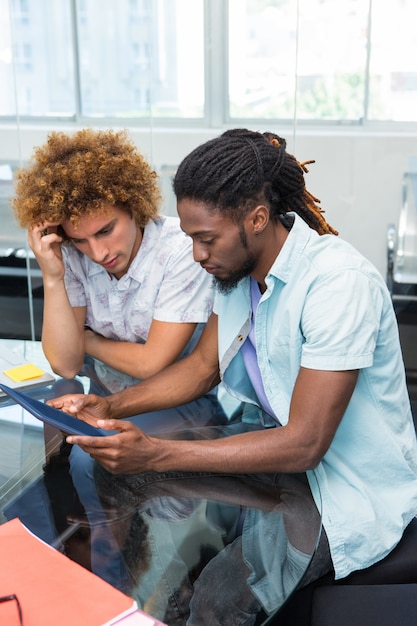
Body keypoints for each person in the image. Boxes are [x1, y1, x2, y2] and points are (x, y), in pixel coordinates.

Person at [49, 129, 417, 596]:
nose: (197, 255)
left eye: (206, 239)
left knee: (212, 602)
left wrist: (159, 452)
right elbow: (203, 367)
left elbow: (305, 444)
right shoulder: (236, 276)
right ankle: (108, 597)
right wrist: (110, 408)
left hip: (340, 488)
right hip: (271, 453)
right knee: (118, 479)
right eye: (190, 239)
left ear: (258, 218)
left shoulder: (338, 285)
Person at [12, 128, 227, 586]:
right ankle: (73, 571)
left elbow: (154, 364)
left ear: (134, 205)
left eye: (106, 230)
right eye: (81, 241)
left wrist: (85, 336)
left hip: (179, 405)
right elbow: (64, 364)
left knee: (95, 463)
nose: (99, 252)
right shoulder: (71, 255)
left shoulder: (177, 252)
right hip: (104, 394)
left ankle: (116, 581)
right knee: (46, 465)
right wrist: (52, 274)